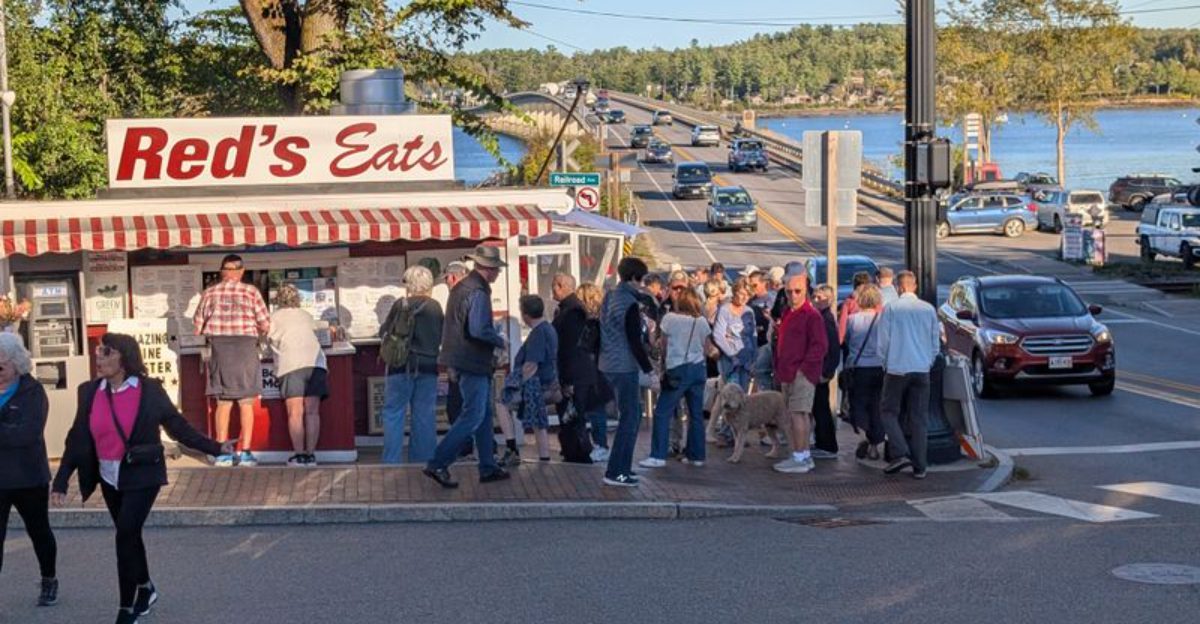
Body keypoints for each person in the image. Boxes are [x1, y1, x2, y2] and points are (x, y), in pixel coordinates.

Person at [52, 333, 233, 624]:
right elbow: (77, 438)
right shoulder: (89, 391)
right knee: (130, 535)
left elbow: (177, 426)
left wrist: (215, 447)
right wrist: (60, 481)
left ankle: (126, 608)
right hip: (108, 475)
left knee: (124, 533)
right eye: (98, 351)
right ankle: (146, 587)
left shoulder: (148, 391)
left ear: (124, 357)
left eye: (107, 352)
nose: (99, 357)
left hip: (142, 473)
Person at [424, 246, 511, 488]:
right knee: (473, 415)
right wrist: (499, 340)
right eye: (496, 269)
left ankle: (488, 466)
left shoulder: (461, 288)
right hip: (473, 361)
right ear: (489, 269)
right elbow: (478, 329)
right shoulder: (478, 292)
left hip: (461, 359)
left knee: (482, 415)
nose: (497, 273)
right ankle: (439, 462)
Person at [193, 253, 270, 467]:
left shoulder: (210, 292)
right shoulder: (251, 291)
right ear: (242, 271)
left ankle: (222, 453)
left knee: (223, 402)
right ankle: (245, 453)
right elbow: (265, 324)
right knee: (246, 402)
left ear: (222, 271)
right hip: (246, 347)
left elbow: (197, 325)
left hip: (220, 347)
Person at [0, 333, 58, 607]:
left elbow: (27, 433)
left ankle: (49, 578)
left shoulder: (32, 391)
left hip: (28, 477)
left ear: (16, 364)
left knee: (39, 531)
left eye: (1, 366)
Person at [877, 271, 942, 479]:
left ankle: (900, 450)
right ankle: (920, 466)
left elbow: (883, 342)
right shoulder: (928, 309)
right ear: (913, 286)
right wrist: (928, 361)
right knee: (919, 418)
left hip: (897, 367)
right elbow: (935, 342)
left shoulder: (891, 309)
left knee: (888, 411)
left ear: (899, 287)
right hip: (921, 368)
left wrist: (885, 363)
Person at [599, 257, 656, 487]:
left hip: (607, 362)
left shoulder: (610, 296)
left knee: (628, 415)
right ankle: (618, 471)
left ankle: (619, 468)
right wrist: (650, 370)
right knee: (630, 418)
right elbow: (634, 341)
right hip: (624, 365)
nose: (642, 284)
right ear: (634, 278)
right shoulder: (630, 304)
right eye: (641, 280)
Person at [379, 265, 444, 465]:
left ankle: (391, 461)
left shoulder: (401, 304)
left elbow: (384, 332)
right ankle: (423, 461)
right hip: (428, 366)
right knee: (424, 414)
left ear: (410, 284)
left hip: (400, 366)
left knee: (394, 413)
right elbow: (441, 335)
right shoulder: (435, 307)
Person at [640, 289, 710, 468]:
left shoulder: (670, 318)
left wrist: (663, 365)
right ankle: (697, 456)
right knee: (695, 414)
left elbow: (662, 345)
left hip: (677, 369)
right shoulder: (701, 321)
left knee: (663, 411)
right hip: (698, 369)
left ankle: (658, 455)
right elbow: (706, 347)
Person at [772, 274, 827, 475]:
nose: (793, 295)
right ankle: (801, 454)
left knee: (798, 414)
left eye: (797, 291)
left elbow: (820, 346)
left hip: (801, 372)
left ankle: (800, 455)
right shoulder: (788, 312)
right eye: (789, 291)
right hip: (788, 371)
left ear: (806, 291)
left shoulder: (812, 315)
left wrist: (803, 370)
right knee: (795, 414)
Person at [268, 284, 328, 467]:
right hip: (316, 364)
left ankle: (299, 455)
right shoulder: (306, 315)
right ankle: (311, 455)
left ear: (278, 299)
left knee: (295, 413)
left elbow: (267, 341)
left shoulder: (274, 317)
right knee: (312, 412)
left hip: (290, 364)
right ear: (298, 299)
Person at [553, 275, 610, 462]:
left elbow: (569, 348)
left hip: (579, 372)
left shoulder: (571, 312)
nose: (552, 291)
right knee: (583, 411)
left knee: (578, 412)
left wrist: (567, 379)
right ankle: (579, 447)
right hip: (585, 370)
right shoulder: (571, 310)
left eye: (554, 286)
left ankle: (581, 448)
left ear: (561, 287)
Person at [504, 295, 559, 462]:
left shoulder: (537, 333)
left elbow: (531, 365)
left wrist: (516, 384)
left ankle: (511, 446)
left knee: (501, 402)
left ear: (525, 314)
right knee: (538, 420)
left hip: (537, 383)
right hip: (548, 381)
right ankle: (544, 455)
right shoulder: (548, 328)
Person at [843, 285, 885, 461]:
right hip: (879, 366)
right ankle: (875, 445)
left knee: (858, 405)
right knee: (876, 406)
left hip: (859, 367)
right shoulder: (882, 319)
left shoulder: (853, 320)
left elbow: (846, 340)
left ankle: (863, 435)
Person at [436, 261, 471, 458]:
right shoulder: (474, 294)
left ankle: (465, 447)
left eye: (447, 279)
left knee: (457, 407)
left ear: (452, 277)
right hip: (469, 361)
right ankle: (480, 448)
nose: (447, 283)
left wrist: (452, 364)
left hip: (462, 361)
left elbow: (456, 333)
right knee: (471, 407)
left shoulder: (459, 297)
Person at [810, 284, 842, 459]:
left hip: (822, 371)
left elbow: (833, 349)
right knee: (818, 407)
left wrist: (827, 371)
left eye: (820, 297)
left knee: (821, 408)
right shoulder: (820, 317)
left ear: (828, 300)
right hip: (818, 370)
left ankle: (828, 445)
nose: (815, 300)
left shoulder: (826, 319)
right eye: (814, 296)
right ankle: (822, 442)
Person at [713, 278, 758, 392]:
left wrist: (754, 359)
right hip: (731, 362)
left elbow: (753, 335)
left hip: (747, 361)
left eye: (748, 295)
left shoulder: (749, 311)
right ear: (735, 291)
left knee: (743, 397)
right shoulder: (725, 310)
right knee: (732, 396)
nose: (745, 298)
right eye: (742, 294)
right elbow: (718, 335)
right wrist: (732, 355)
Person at [836, 271, 873, 342]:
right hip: (872, 338)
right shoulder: (875, 300)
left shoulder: (849, 301)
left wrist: (840, 340)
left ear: (854, 284)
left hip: (854, 337)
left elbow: (843, 323)